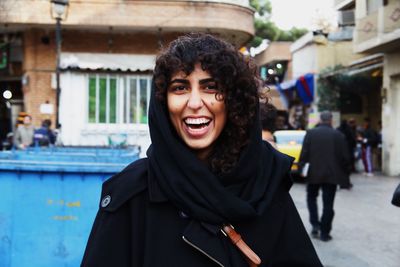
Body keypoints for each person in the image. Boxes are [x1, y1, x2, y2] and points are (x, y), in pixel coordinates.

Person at [81, 33, 322, 267]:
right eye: (180, 88)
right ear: (162, 102)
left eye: (210, 87)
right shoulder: (132, 193)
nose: (195, 103)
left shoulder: (265, 183)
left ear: (235, 101)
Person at [299, 111, 350, 242]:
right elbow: (345, 158)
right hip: (332, 176)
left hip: (313, 174)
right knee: (328, 205)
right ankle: (325, 233)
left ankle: (315, 225)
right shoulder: (338, 135)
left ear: (320, 119)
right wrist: (345, 176)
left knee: (311, 198)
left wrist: (301, 169)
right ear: (331, 120)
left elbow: (304, 154)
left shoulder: (311, 133)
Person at [337, 119, 355, 189]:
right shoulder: (349, 130)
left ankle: (341, 182)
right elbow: (353, 141)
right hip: (348, 151)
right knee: (347, 168)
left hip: (340, 152)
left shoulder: (338, 130)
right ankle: (346, 183)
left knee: (340, 168)